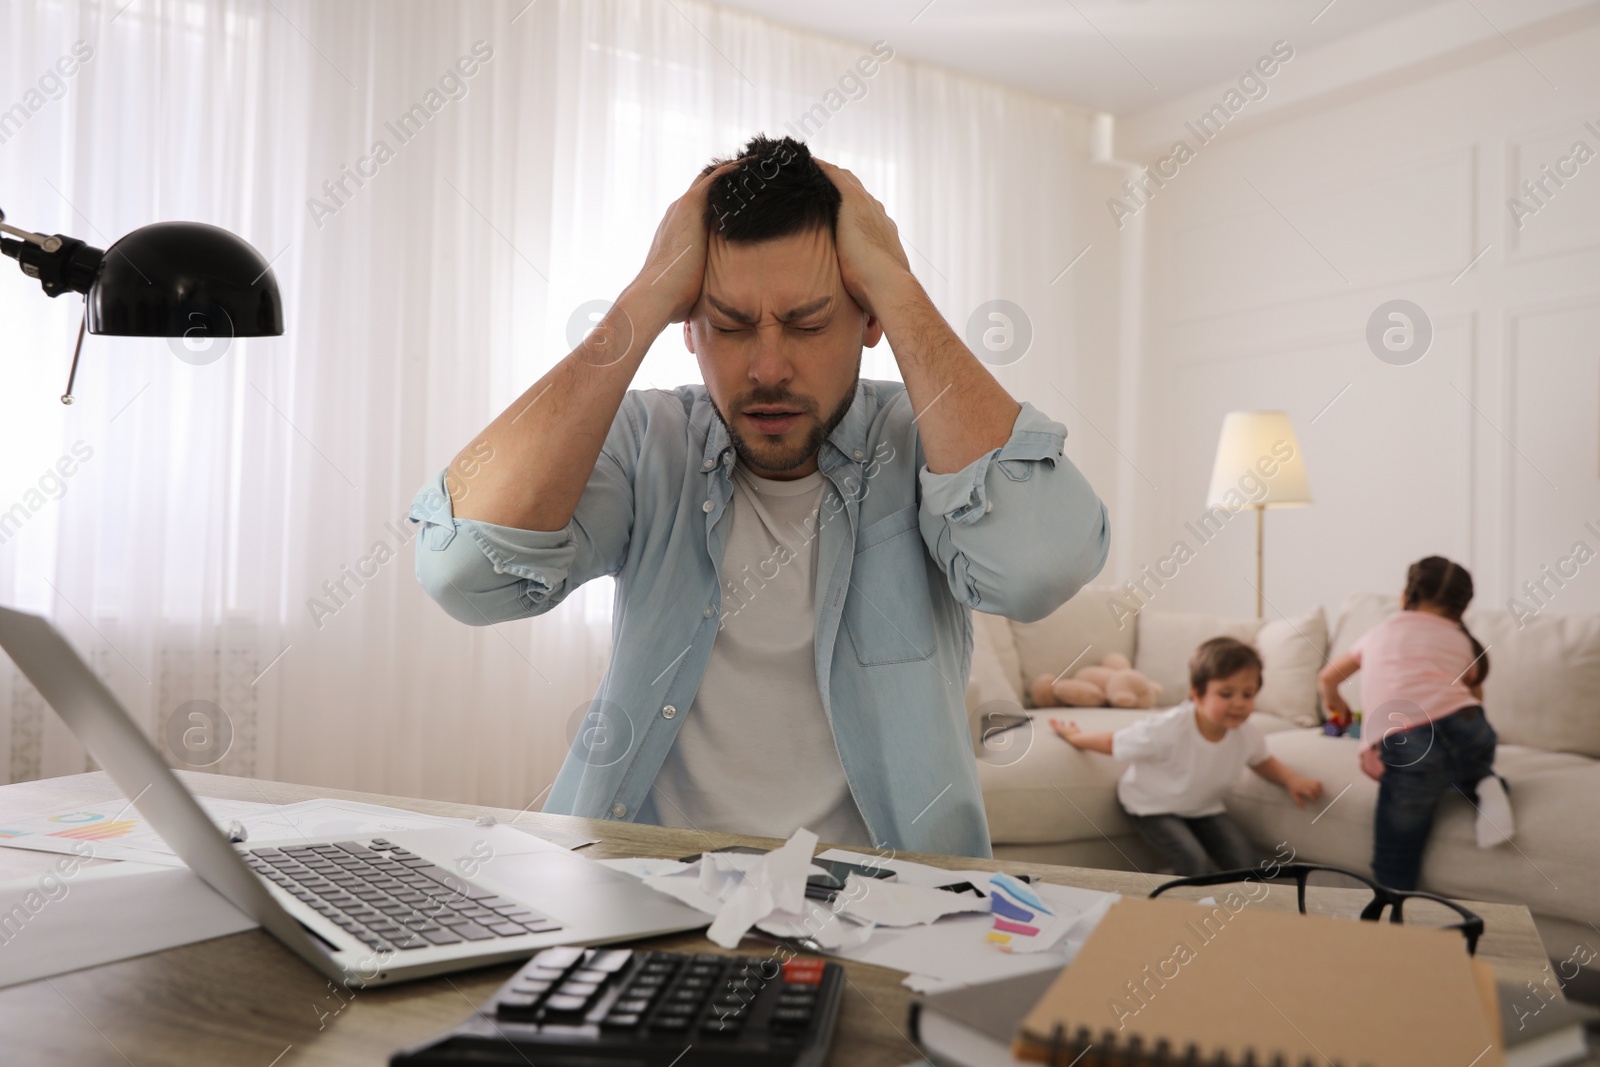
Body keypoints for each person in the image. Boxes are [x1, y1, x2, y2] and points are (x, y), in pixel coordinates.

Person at [408, 135, 1110, 857]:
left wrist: (898, 285)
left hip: (888, 916)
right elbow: (462, 572)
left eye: (807, 324)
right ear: (688, 325)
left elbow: (1041, 566)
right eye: (730, 324)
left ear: (868, 320)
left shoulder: (928, 445)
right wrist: (647, 291)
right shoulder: (650, 440)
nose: (768, 367)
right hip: (638, 896)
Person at [1052, 637, 1323, 877]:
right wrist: (1077, 738)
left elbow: (1261, 760)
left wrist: (1291, 779)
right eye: (1226, 694)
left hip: (1203, 807)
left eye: (1248, 694)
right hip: (1151, 805)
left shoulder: (1246, 734)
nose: (1239, 703)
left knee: (1245, 863)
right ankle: (1167, 890)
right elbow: (1116, 742)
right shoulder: (1169, 728)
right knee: (1192, 860)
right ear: (1197, 693)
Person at [1319, 556, 1512, 891]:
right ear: (1463, 606)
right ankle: (1483, 782)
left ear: (1406, 594)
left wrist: (1335, 702)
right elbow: (1475, 697)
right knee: (1456, 762)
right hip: (1474, 733)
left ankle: (1394, 924)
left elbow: (1327, 677)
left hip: (1414, 745)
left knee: (1394, 861)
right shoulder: (1461, 640)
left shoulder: (1379, 632)